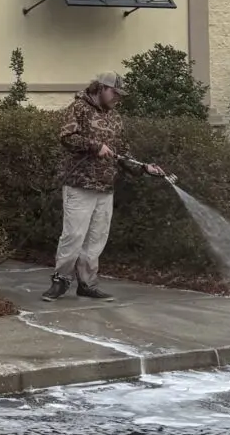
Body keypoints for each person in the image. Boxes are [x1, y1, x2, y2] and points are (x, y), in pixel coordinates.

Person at [45, 73, 170, 300]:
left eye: (120, 96)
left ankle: (87, 284)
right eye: (114, 93)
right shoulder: (79, 108)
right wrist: (95, 146)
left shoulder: (115, 117)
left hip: (105, 187)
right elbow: (66, 136)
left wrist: (144, 168)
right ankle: (60, 281)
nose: (117, 99)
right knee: (73, 236)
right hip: (80, 185)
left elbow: (123, 154)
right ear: (101, 88)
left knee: (96, 239)